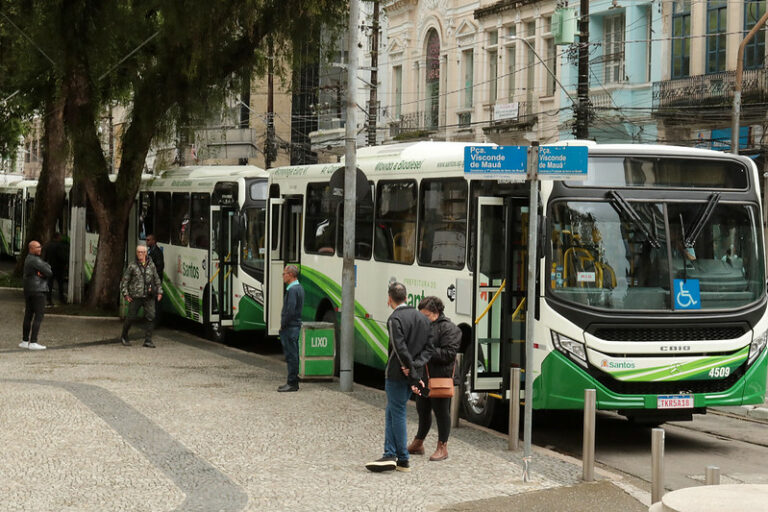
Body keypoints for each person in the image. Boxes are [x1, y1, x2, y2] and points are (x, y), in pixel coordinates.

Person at [365, 282, 434, 473]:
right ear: (406, 297)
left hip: (397, 373)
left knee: (398, 412)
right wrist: (417, 367)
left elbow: (399, 347)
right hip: (413, 373)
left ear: (389, 299)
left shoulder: (394, 319)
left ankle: (402, 458)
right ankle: (390, 451)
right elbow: (429, 349)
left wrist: (408, 367)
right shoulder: (423, 319)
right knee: (392, 411)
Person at [408, 296, 461, 462]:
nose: (422, 318)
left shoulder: (449, 329)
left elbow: (449, 354)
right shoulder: (422, 326)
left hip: (440, 377)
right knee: (422, 410)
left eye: (426, 315)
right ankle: (418, 442)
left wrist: (426, 351)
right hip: (423, 376)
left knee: (441, 412)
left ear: (436, 313)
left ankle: (442, 447)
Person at [120, 244, 162, 348]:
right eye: (138, 252)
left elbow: (156, 279)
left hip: (149, 296)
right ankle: (124, 335)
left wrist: (160, 291)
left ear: (146, 253)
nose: (140, 254)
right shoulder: (132, 266)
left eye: (142, 252)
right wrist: (126, 294)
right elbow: (125, 281)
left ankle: (148, 340)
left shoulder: (151, 265)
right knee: (131, 317)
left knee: (151, 316)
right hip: (136, 296)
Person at [20, 240, 52, 350]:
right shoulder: (35, 260)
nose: (40, 249)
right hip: (38, 290)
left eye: (40, 247)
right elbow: (48, 271)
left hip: (29, 290)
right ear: (31, 249)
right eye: (37, 247)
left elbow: (44, 269)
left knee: (28, 315)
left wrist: (42, 271)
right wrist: (43, 271)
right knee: (39, 315)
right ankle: (33, 341)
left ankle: (25, 340)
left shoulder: (28, 259)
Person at [278, 264, 304, 392]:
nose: (283, 276)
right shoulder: (298, 288)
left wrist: (283, 324)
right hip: (294, 326)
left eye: (284, 273)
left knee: (291, 355)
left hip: (290, 326)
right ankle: (293, 381)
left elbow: (290, 310)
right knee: (293, 354)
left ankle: (292, 382)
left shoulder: (293, 290)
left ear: (291, 275)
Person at [43, 232, 68, 306]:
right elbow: (61, 256)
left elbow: (45, 257)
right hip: (59, 267)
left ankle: (49, 299)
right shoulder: (59, 246)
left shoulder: (48, 245)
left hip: (50, 267)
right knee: (60, 284)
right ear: (57, 237)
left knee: (50, 284)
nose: (60, 238)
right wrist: (65, 263)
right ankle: (61, 299)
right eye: (59, 237)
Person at [145, 234, 164, 324]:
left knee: (156, 300)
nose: (147, 242)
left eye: (148, 240)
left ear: (153, 241)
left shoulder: (157, 252)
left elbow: (159, 267)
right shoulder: (150, 251)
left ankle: (156, 320)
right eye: (146, 240)